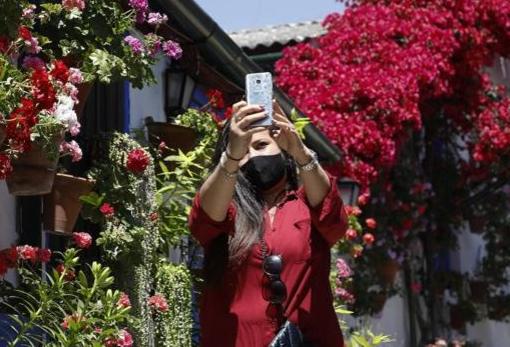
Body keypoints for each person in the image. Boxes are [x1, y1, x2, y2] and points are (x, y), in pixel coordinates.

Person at [189, 100, 348, 347]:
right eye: (244, 151)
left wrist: (299, 151)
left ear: (283, 151)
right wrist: (232, 155)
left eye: (261, 145)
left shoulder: (307, 206)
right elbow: (204, 217)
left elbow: (333, 216)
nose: (251, 156)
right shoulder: (226, 209)